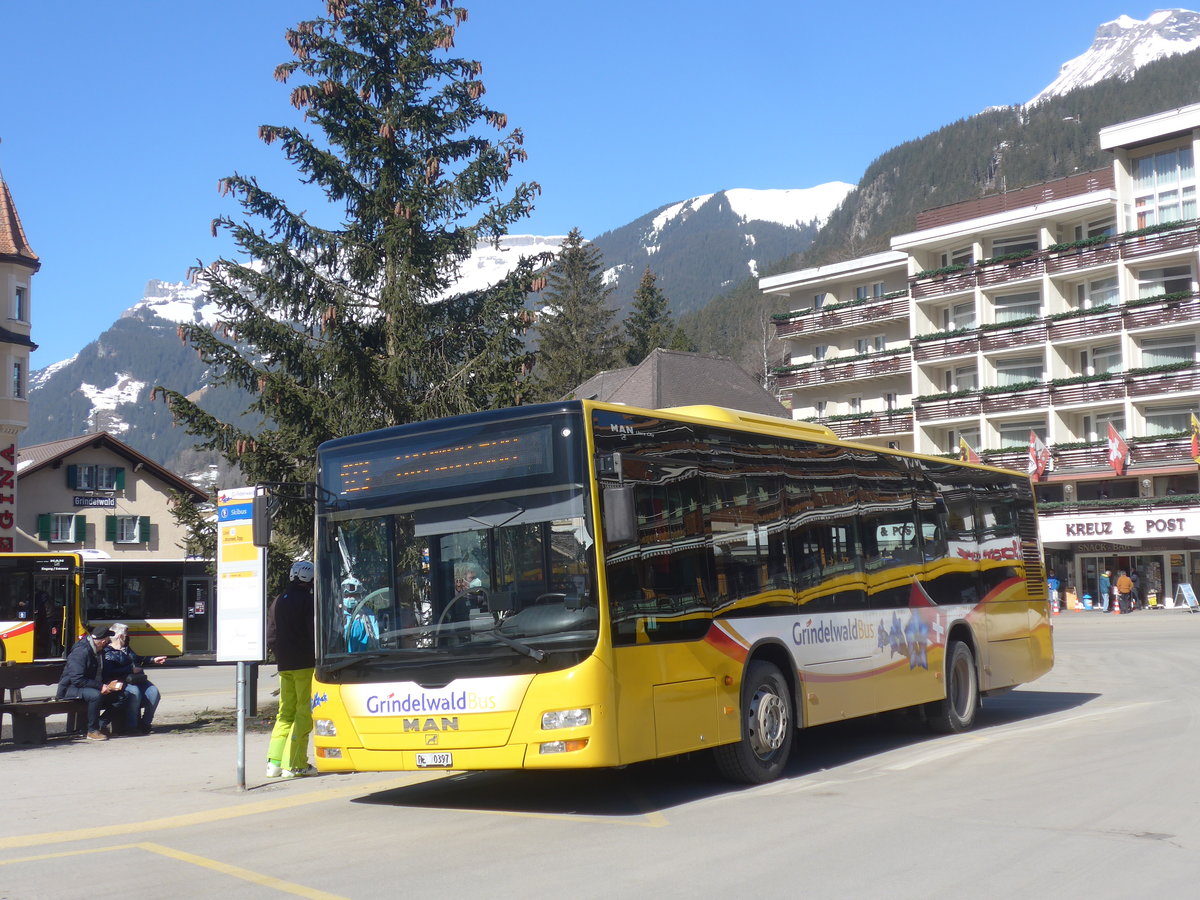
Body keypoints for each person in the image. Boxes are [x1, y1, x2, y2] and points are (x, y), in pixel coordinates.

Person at [266, 560, 317, 778]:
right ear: (310, 579)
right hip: (305, 665)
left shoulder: (278, 601)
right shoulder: (308, 601)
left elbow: (271, 636)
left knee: (285, 713)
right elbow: (314, 633)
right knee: (304, 712)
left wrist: (281, 656)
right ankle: (297, 764)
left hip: (284, 665)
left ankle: (274, 763)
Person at [56, 625, 123, 741]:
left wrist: (109, 684)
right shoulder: (81, 651)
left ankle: (100, 725)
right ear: (102, 641)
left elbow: (98, 673)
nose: (108, 643)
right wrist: (100, 686)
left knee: (122, 696)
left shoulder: (98, 651)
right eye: (108, 640)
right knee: (95, 695)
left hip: (88, 686)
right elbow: (77, 679)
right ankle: (92, 731)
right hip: (70, 688)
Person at [103, 623, 167, 734]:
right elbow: (110, 672)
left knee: (154, 692)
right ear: (120, 636)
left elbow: (137, 658)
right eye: (126, 633)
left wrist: (152, 659)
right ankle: (131, 727)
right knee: (135, 693)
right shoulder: (107, 652)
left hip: (136, 679)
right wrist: (130, 670)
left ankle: (146, 723)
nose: (128, 636)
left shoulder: (126, 648)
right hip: (122, 681)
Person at [342, 576, 379, 652]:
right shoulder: (337, 616)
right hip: (344, 660)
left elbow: (376, 639)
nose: (350, 598)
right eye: (347, 596)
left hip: (364, 658)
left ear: (359, 596)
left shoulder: (368, 615)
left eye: (353, 595)